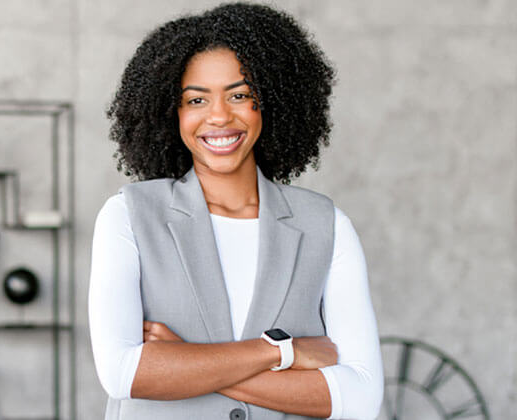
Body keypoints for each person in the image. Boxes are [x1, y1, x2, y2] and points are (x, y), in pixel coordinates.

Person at [88, 3, 384, 419]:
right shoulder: (128, 217)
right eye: (196, 100)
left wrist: (182, 362)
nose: (219, 116)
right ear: (172, 113)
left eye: (240, 95)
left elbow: (360, 399)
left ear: (272, 103)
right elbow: (122, 374)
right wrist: (284, 352)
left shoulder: (326, 225)